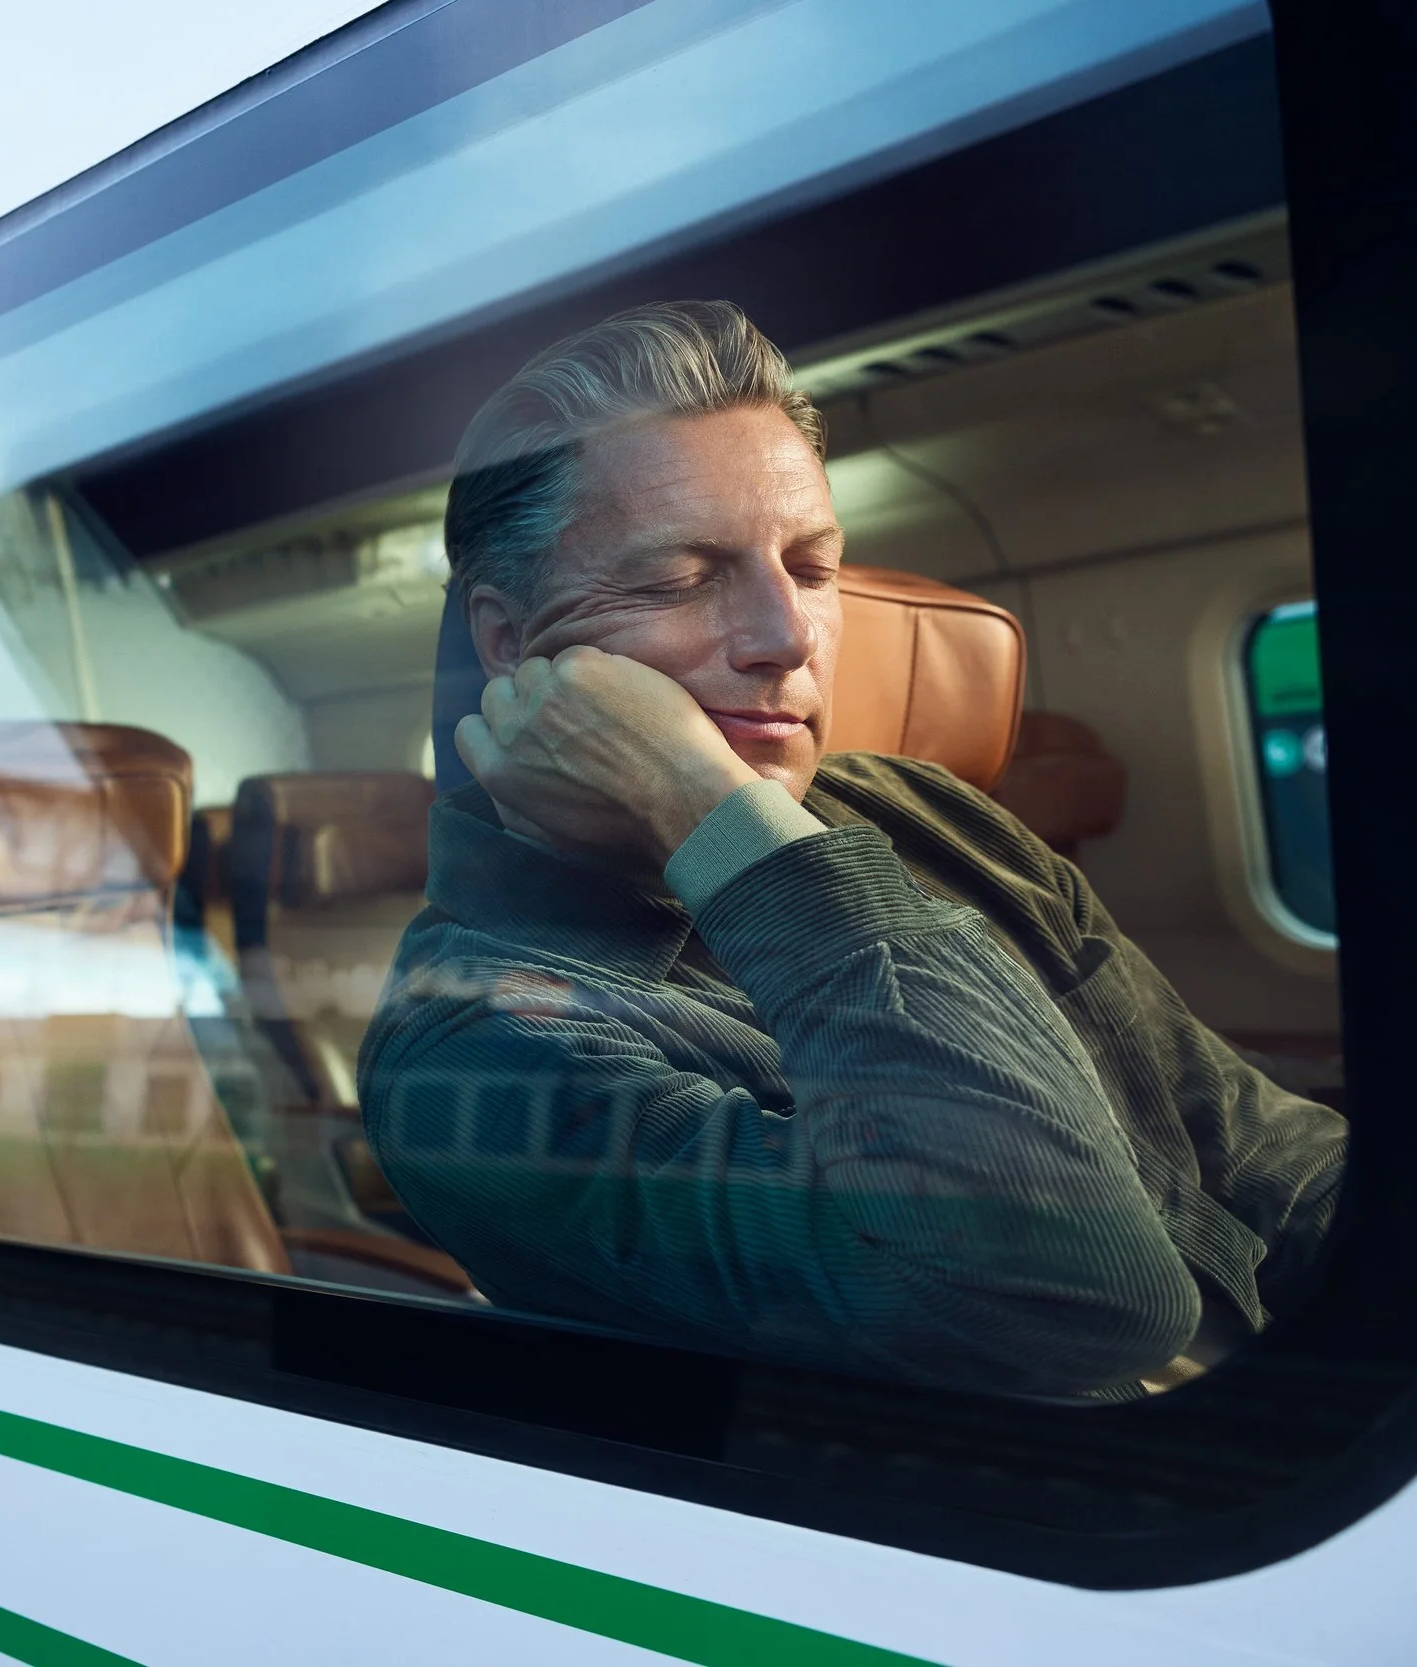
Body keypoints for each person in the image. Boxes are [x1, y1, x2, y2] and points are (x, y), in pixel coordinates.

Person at [357, 300, 1345, 1398]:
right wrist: (706, 810)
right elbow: (1073, 1295)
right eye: (681, 578)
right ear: (508, 641)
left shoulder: (916, 808)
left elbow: (1257, 1151)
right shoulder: (472, 1045)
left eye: (813, 566)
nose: (787, 637)